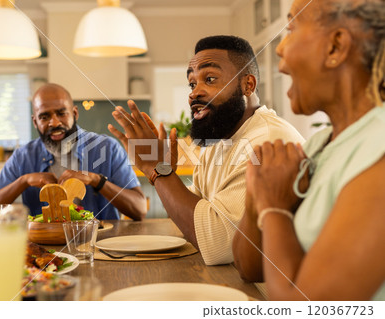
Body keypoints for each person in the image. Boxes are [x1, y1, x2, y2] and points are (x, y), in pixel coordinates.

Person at [233, 0, 385, 300]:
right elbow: (250, 268)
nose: (278, 48)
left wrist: (273, 207)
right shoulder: (318, 144)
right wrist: (258, 196)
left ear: (335, 47)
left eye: (291, 28)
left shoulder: (377, 149)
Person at [108, 35, 304, 265]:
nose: (194, 93)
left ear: (248, 85)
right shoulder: (220, 140)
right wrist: (161, 170)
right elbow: (194, 210)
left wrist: (158, 171)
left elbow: (217, 244)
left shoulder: (268, 141)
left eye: (209, 79)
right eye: (192, 84)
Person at [0, 83, 147, 221]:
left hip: (101, 245)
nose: (54, 122)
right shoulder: (23, 156)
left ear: (74, 113)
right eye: (44, 117)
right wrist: (23, 181)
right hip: (45, 251)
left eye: (61, 113)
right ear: (35, 122)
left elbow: (139, 210)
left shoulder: (108, 148)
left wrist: (96, 180)